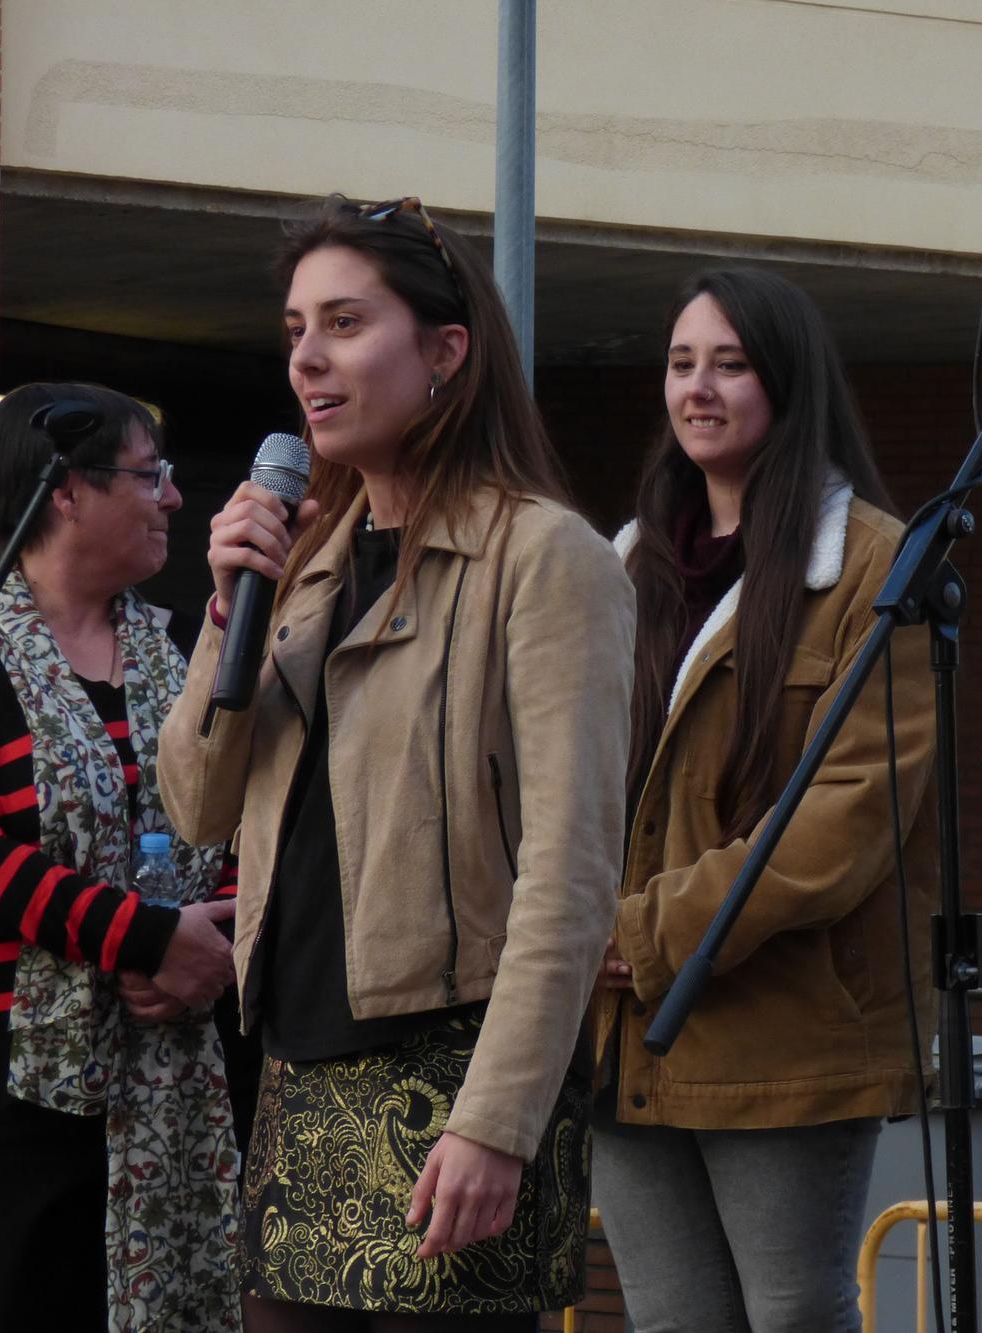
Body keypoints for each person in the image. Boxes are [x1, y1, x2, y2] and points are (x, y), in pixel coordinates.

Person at [157, 195, 634, 1332]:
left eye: (342, 323)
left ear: (444, 352)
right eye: (292, 330)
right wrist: (226, 611)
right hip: (297, 1075)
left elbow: (569, 875)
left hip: (454, 1078)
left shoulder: (543, 557)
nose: (307, 360)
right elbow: (196, 803)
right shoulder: (305, 567)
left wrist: (498, 1118)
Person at [589, 267, 937, 1333]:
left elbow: (845, 819)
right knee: (671, 1321)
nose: (698, 388)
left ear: (787, 382)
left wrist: (641, 928)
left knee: (790, 1317)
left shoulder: (875, 568)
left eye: (729, 364)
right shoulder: (623, 563)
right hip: (617, 1024)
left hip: (785, 1032)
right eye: (681, 362)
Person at [0, 382, 244, 1333]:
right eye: (149, 474)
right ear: (66, 491)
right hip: (1, 1078)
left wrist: (214, 943)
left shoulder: (188, 649)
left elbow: (249, 813)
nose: (172, 497)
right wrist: (150, 937)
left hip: (182, 1052)